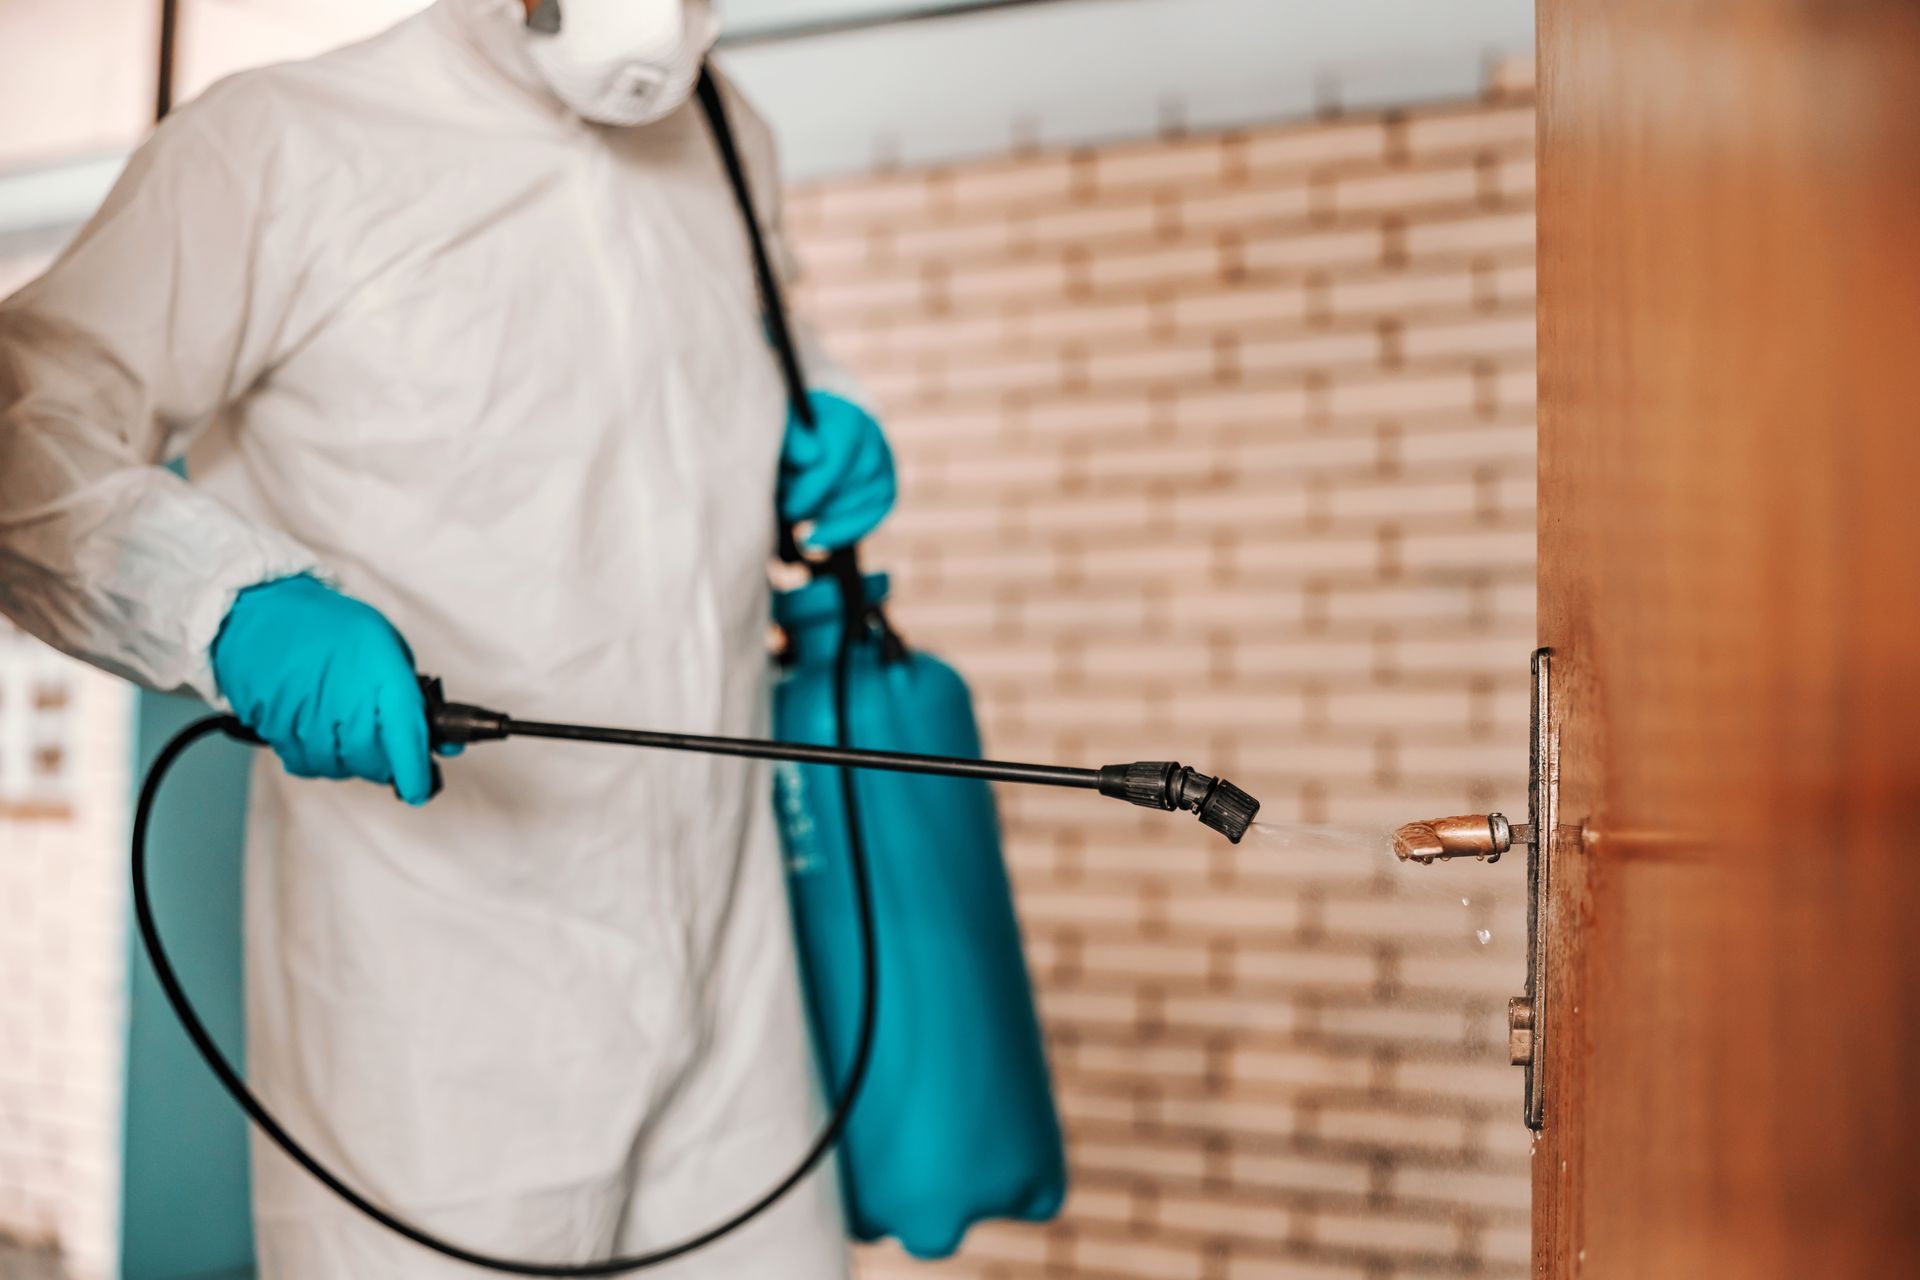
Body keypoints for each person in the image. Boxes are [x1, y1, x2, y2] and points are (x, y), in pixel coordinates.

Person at [0, 0, 895, 1274]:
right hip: (435, 1026)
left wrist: (826, 403)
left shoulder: (726, 131)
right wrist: (225, 602)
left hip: (732, 987)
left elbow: (748, 355)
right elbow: (24, 430)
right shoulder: (277, 149)